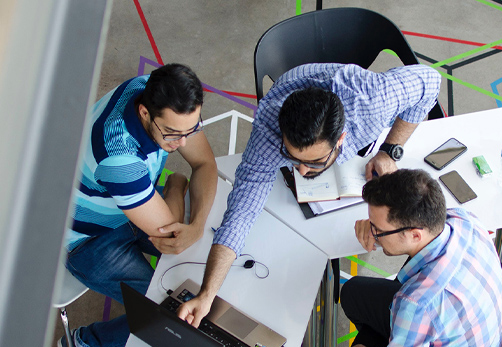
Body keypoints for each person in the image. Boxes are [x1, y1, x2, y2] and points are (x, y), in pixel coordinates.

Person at [176, 63, 441, 329]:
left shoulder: (373, 101)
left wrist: (390, 149)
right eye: (292, 158)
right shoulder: (268, 130)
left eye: (314, 162)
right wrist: (207, 294)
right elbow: (240, 214)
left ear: (341, 140)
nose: (301, 171)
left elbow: (431, 81)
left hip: (352, 93)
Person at [291, 169, 502, 347]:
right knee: (354, 292)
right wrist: (372, 224)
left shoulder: (417, 303)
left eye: (378, 230)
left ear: (415, 234)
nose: (373, 234)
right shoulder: (462, 221)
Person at [59, 64, 218, 347]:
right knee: (162, 312)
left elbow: (205, 164)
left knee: (197, 256)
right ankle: (86, 343)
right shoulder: (119, 158)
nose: (183, 142)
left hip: (129, 205)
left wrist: (197, 225)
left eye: (192, 129)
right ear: (145, 113)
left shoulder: (154, 90)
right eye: (173, 134)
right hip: (87, 239)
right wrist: (176, 186)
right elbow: (172, 233)